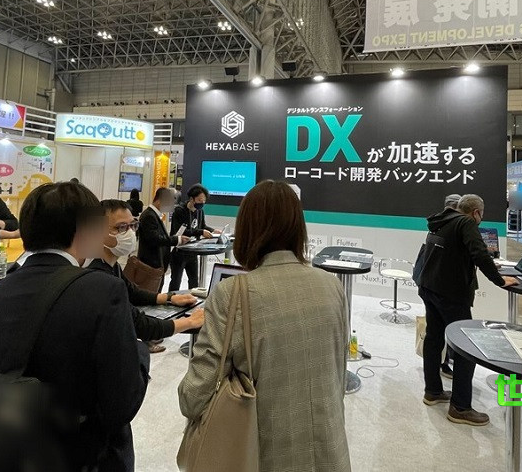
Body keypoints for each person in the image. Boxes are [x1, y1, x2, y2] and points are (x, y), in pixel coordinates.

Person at [0, 182, 150, 471]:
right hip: (81, 454)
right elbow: (121, 404)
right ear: (85, 231)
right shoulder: (102, 290)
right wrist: (140, 352)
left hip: (6, 453)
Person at [179, 180, 351, 472]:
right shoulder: (332, 286)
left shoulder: (233, 293)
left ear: (247, 228)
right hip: (331, 454)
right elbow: (337, 373)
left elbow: (194, 397)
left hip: (262, 456)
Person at [417, 194, 517, 427]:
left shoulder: (441, 221)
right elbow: (479, 254)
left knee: (434, 339)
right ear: (476, 213)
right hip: (451, 293)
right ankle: (460, 407)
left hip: (429, 286)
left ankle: (432, 391)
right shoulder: (466, 223)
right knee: (465, 348)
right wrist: (500, 280)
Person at [87, 200, 204, 353]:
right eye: (121, 227)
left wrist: (169, 298)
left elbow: (132, 292)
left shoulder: (111, 265)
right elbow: (138, 324)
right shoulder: (98, 275)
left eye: (132, 226)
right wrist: (189, 322)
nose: (130, 233)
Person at [137, 188, 188, 290]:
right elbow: (155, 239)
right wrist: (177, 240)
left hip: (157, 265)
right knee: (151, 293)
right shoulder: (149, 216)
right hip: (151, 265)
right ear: (159, 201)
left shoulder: (154, 215)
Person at [169, 184, 216, 291]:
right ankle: (171, 299)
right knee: (176, 281)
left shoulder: (200, 211)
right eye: (199, 200)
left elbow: (202, 226)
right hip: (179, 251)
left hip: (193, 251)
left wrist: (213, 230)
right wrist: (201, 231)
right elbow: (181, 231)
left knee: (194, 282)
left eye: (204, 201)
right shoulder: (180, 211)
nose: (202, 203)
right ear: (191, 199)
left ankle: (193, 299)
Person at [439, 193, 461, 379]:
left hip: (433, 284)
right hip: (450, 287)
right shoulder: (460, 225)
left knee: (436, 330)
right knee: (456, 328)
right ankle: (445, 361)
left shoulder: (436, 222)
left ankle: (433, 385)